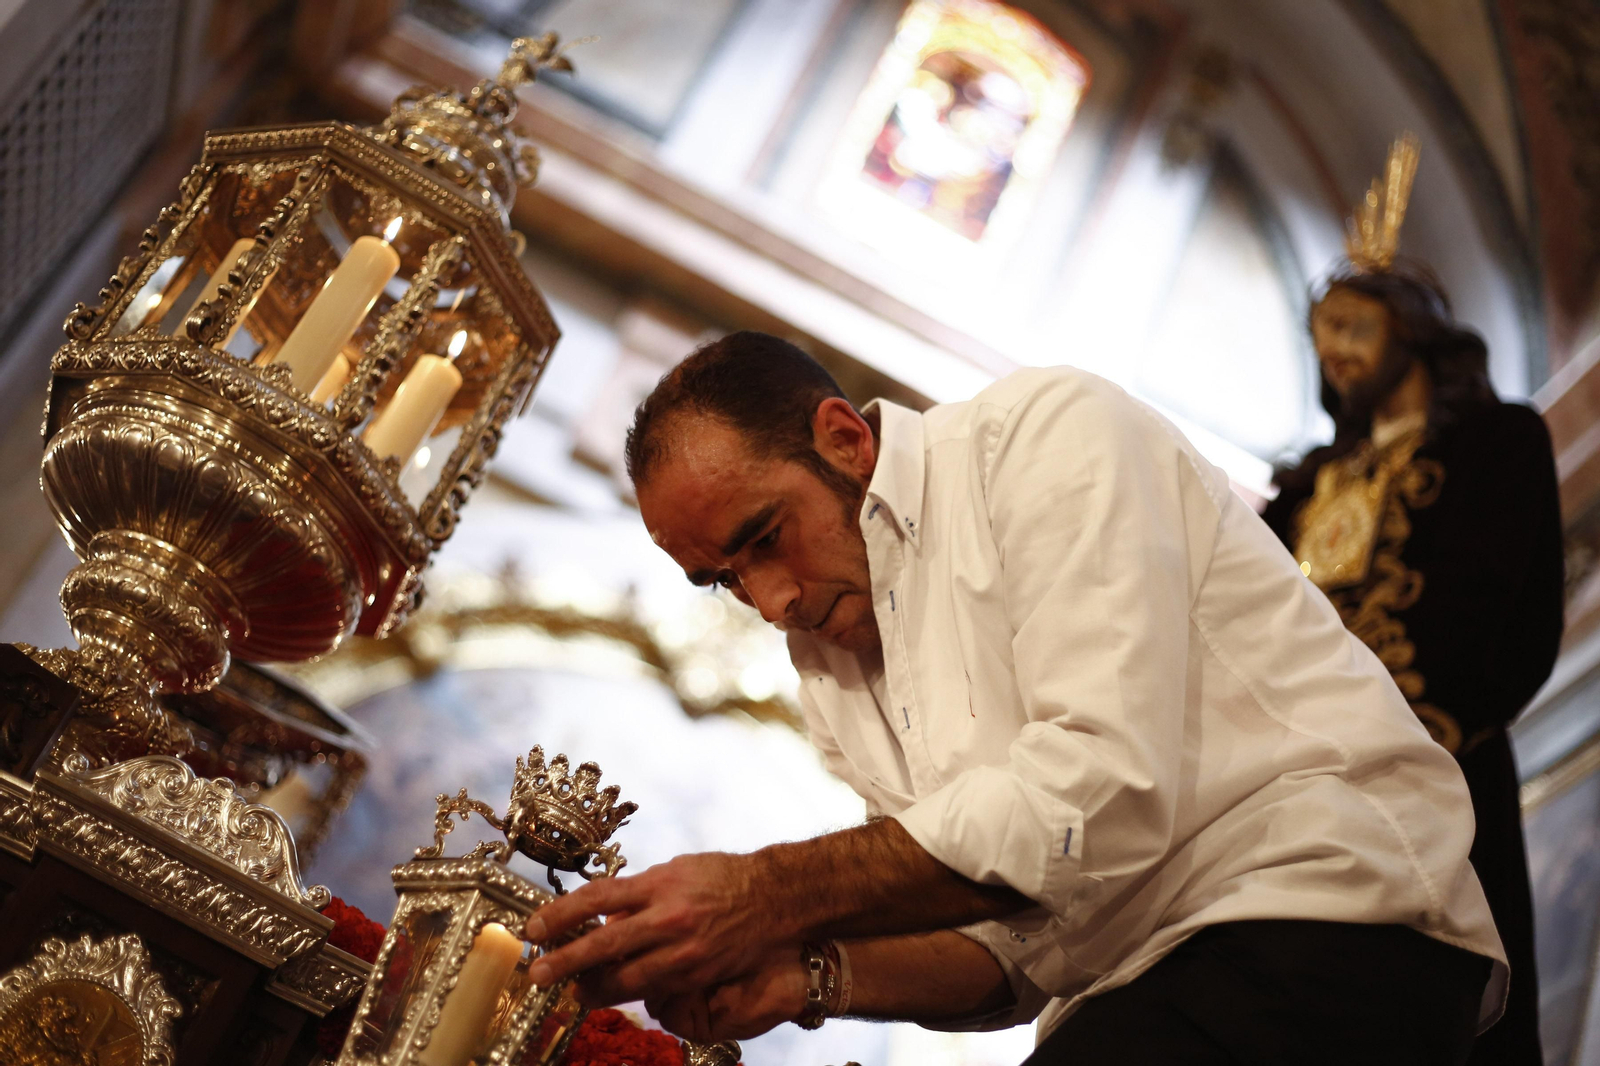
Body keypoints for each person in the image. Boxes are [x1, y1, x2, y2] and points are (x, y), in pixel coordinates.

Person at [521, 330, 1507, 1065]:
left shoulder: (1042, 436)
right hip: (1131, 991)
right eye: (722, 579)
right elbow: (1012, 949)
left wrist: (762, 892)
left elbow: (1095, 794)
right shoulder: (829, 659)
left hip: (1319, 917)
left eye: (764, 535)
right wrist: (807, 972)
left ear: (841, 439)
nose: (769, 600)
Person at [1262, 264, 1563, 1065]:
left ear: (1415, 330)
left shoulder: (1497, 443)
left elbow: (1512, 612)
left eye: (1354, 327)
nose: (1337, 353)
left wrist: (1419, 729)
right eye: (1323, 336)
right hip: (1285, 782)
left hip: (1435, 762)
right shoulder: (1298, 492)